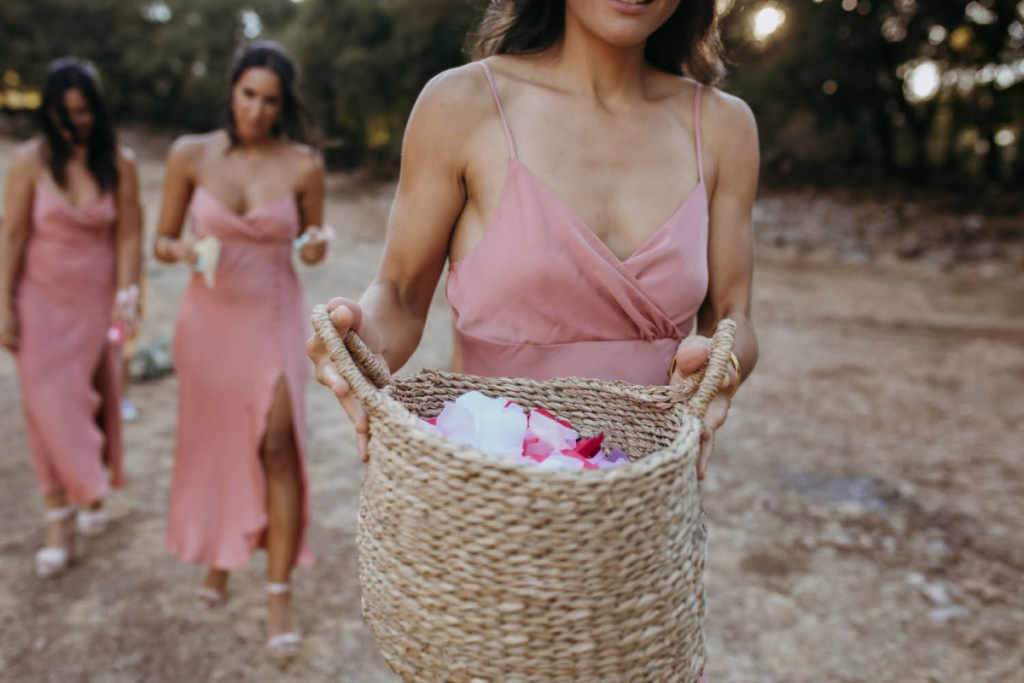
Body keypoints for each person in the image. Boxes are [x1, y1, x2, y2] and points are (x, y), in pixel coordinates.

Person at [309, 1, 761, 674]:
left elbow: (735, 317)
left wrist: (722, 364)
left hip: (635, 534)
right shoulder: (461, 104)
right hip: (486, 531)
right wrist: (354, 333)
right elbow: (401, 296)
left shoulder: (724, 126)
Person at [154, 40, 329, 657]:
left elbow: (314, 240)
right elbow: (163, 241)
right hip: (208, 323)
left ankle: (278, 590)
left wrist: (313, 246)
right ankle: (222, 558)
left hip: (273, 316)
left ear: (283, 106)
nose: (256, 109)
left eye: (270, 100)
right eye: (248, 93)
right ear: (232, 89)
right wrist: (184, 251)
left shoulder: (305, 165)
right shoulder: (189, 154)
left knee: (278, 444)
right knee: (223, 444)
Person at [0, 57, 143, 578]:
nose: (72, 123)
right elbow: (12, 234)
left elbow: (128, 235)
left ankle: (85, 490)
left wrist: (127, 294)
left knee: (91, 403)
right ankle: (62, 514)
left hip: (97, 304)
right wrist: (3, 305)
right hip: (38, 304)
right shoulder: (29, 161)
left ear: (95, 112)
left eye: (82, 113)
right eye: (62, 114)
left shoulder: (119, 162)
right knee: (46, 408)